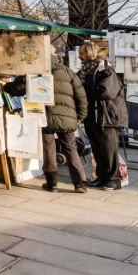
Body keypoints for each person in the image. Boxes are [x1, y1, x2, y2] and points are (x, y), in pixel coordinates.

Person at [78, 41, 128, 190]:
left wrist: (83, 91)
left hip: (107, 117)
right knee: (97, 148)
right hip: (92, 116)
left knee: (109, 149)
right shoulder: (86, 71)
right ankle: (102, 177)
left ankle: (115, 179)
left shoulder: (106, 70)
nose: (80, 56)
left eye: (82, 53)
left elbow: (105, 91)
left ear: (90, 54)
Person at [41, 53, 89, 193]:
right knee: (71, 148)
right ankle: (79, 183)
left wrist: (7, 87)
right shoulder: (68, 72)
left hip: (46, 117)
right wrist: (81, 115)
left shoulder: (38, 71)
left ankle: (52, 183)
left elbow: (18, 87)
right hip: (68, 118)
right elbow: (81, 95)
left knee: (49, 148)